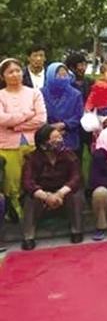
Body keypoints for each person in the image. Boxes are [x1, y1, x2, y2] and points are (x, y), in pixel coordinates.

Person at [21, 125, 84, 250]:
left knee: (76, 194)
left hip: (63, 192)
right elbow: (27, 182)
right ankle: (28, 235)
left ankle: (76, 229)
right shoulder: (32, 158)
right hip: (42, 193)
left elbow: (76, 177)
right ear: (43, 143)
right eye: (54, 138)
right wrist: (45, 196)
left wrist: (60, 193)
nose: (59, 140)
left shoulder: (69, 155)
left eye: (60, 137)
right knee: (31, 198)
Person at [0, 58, 47, 220]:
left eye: (18, 70)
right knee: (12, 181)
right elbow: (2, 119)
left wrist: (16, 126)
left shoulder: (34, 93)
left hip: (32, 142)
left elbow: (41, 119)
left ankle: (36, 211)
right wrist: (27, 114)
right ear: (2, 76)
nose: (15, 74)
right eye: (10, 72)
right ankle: (14, 212)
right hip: (7, 146)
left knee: (34, 178)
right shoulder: (1, 95)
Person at [42, 63, 84, 152]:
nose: (62, 78)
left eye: (65, 75)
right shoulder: (41, 94)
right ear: (50, 76)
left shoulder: (75, 94)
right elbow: (38, 114)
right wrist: (50, 128)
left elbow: (79, 116)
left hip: (70, 137)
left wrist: (64, 125)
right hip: (47, 137)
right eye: (59, 75)